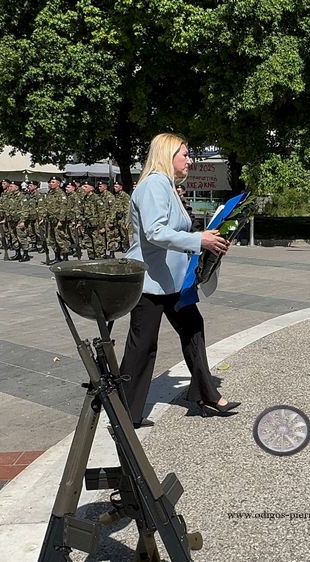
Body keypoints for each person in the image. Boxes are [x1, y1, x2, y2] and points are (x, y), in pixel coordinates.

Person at [119, 133, 239, 426]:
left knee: (193, 328)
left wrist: (208, 238)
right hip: (151, 283)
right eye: (185, 154)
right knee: (142, 346)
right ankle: (125, 414)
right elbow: (155, 232)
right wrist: (199, 240)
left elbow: (174, 231)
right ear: (167, 154)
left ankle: (205, 394)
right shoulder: (154, 185)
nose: (190, 160)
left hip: (171, 281)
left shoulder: (167, 186)